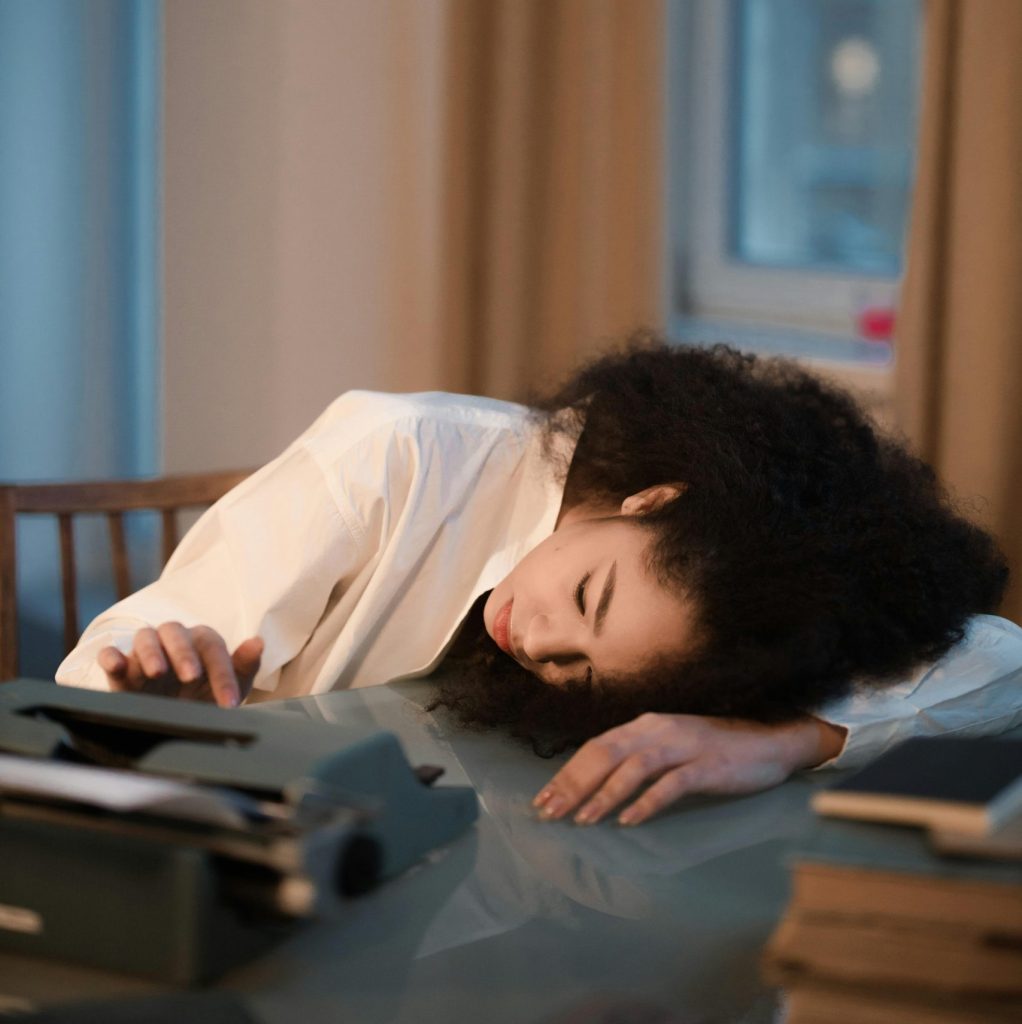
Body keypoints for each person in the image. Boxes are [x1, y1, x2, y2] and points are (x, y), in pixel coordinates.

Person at [57, 336, 1022, 826]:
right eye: (589, 596)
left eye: (585, 673)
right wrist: (156, 694)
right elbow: (86, 690)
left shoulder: (710, 629)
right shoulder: (398, 457)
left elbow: (1002, 661)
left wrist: (780, 740)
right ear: (648, 500)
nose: (541, 641)